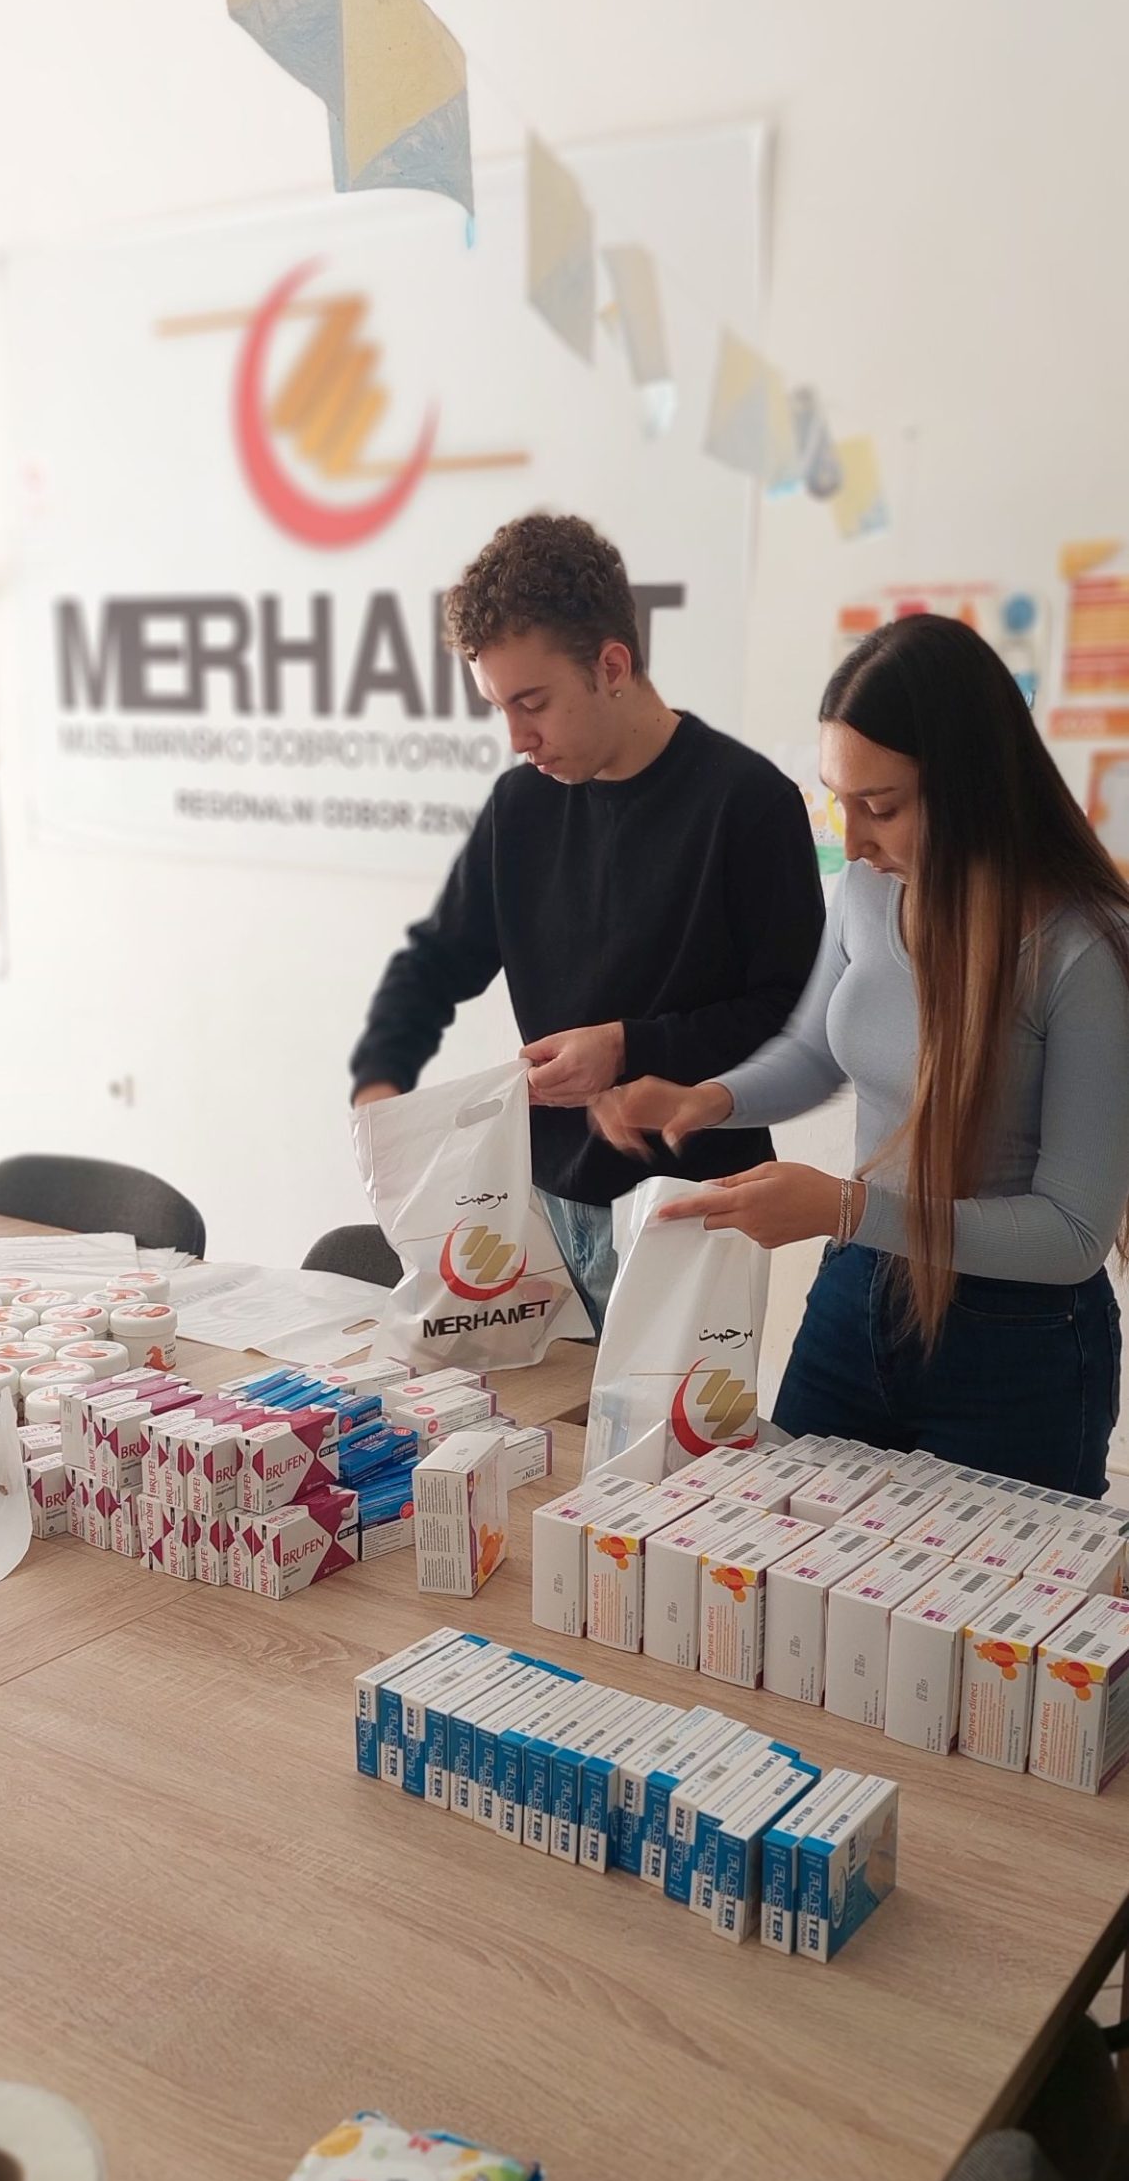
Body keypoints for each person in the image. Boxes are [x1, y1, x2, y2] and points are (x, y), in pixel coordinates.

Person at [592, 613, 1129, 1493]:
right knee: (778, 1545)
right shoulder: (871, 892)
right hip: (860, 1298)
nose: (854, 840)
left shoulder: (1085, 950)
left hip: (1019, 1344)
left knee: (974, 1587)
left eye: (881, 808)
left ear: (975, 789)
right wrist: (709, 1099)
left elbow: (1072, 1234)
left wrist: (845, 1208)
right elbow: (816, 1048)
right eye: (840, 802)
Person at [348, 512, 824, 1332]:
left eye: (532, 703)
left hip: (694, 1209)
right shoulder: (521, 806)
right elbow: (434, 962)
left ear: (612, 666)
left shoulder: (747, 805)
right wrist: (380, 1088)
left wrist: (628, 1047)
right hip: (536, 1204)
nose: (516, 738)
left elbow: (793, 1020)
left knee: (666, 1424)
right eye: (498, 707)